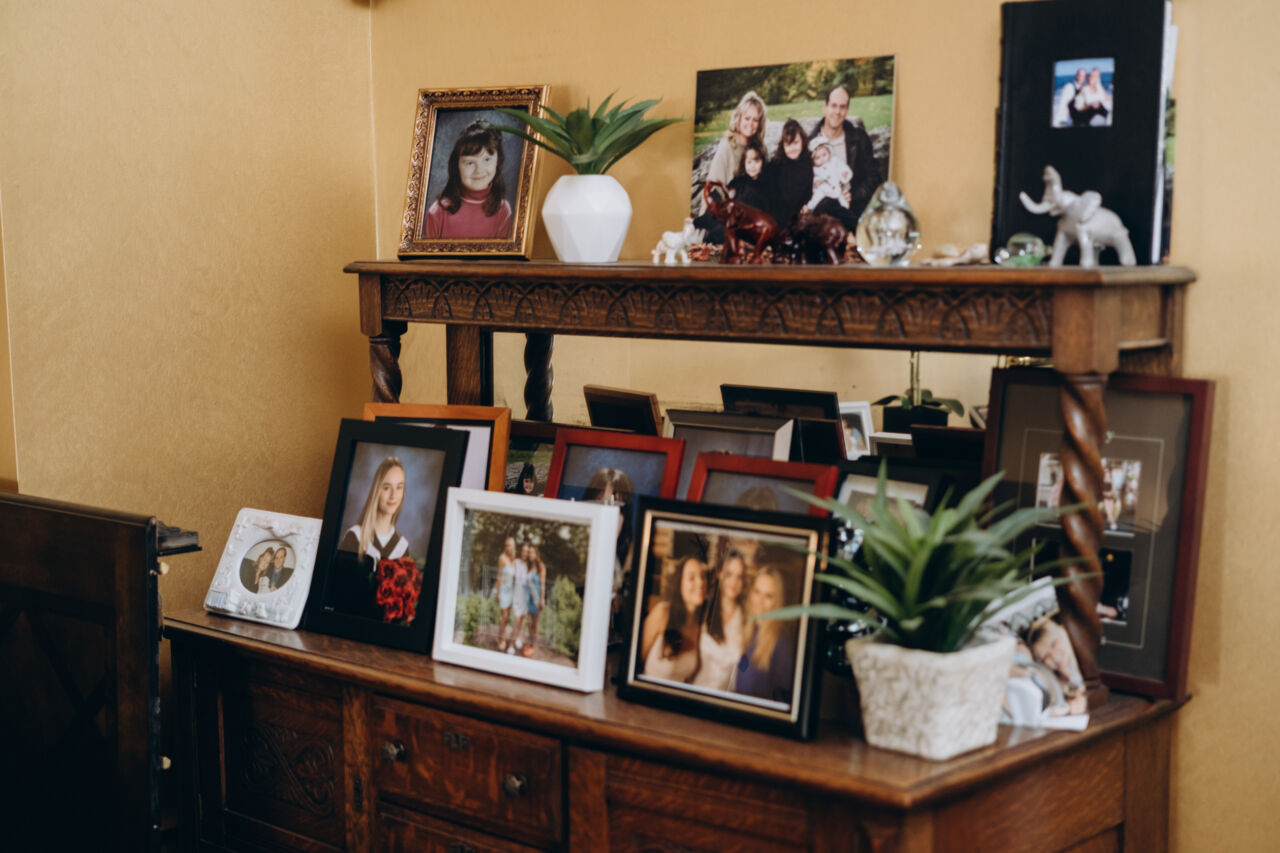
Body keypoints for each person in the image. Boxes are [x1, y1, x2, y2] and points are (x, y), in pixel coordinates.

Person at [329, 456, 410, 620]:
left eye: (399, 487)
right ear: (376, 491)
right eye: (386, 487)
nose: (393, 495)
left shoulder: (402, 547)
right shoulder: (354, 538)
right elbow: (338, 598)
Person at [420, 120, 513, 240]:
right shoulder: (438, 212)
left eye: (487, 160)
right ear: (456, 166)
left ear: (498, 161)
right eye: (469, 163)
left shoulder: (503, 210)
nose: (479, 170)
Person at [806, 85, 882, 229]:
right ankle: (854, 233)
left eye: (842, 107)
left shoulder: (859, 139)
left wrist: (853, 194)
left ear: (847, 110)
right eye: (833, 106)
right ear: (825, 107)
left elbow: (874, 179)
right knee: (826, 204)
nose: (837, 112)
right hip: (823, 215)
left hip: (852, 208)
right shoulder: (811, 143)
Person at [696, 91, 767, 216]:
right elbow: (713, 188)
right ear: (739, 118)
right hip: (725, 211)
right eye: (747, 118)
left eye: (755, 120)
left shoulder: (761, 149)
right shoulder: (727, 148)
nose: (750, 124)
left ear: (760, 123)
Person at [733, 566, 796, 703]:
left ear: (777, 601)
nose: (760, 601)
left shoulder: (781, 644)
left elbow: (782, 700)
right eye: (757, 592)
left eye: (768, 596)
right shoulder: (746, 629)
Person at [639, 555, 706, 682]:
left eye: (702, 576)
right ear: (679, 584)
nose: (700, 583)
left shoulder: (699, 625)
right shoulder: (662, 613)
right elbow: (634, 661)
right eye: (691, 578)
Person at [691, 550, 748, 691]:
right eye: (729, 574)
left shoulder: (746, 619)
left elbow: (744, 667)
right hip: (694, 691)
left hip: (723, 698)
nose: (733, 582)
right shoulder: (702, 610)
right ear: (720, 574)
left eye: (739, 577)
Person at [763, 118, 813, 230]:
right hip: (780, 218)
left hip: (803, 215)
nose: (792, 148)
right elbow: (770, 198)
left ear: (803, 141)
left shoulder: (809, 163)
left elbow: (812, 190)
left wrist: (808, 205)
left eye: (795, 143)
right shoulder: (775, 166)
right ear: (783, 145)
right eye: (788, 144)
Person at [806, 140, 853, 213]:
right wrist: (816, 182)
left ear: (829, 152)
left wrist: (844, 173)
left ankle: (845, 209)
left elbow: (842, 168)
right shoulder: (815, 170)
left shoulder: (835, 162)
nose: (822, 159)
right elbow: (814, 178)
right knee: (818, 195)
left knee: (842, 200)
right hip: (824, 189)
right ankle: (811, 206)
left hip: (836, 187)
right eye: (817, 158)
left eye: (824, 155)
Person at [522, 544, 547, 657]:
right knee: (529, 622)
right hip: (529, 598)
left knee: (535, 623)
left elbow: (543, 584)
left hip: (536, 598)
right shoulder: (529, 566)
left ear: (536, 554)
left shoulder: (541, 566)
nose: (530, 554)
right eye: (529, 552)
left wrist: (542, 599)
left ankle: (532, 646)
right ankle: (529, 642)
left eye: (532, 552)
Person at [493, 537, 518, 652]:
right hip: (503, 590)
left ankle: (502, 636)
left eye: (510, 545)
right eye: (506, 545)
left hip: (511, 591)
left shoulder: (514, 560)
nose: (508, 547)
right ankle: (500, 638)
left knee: (508, 617)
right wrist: (498, 593)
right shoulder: (502, 558)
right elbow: (499, 576)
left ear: (514, 546)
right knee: (504, 617)